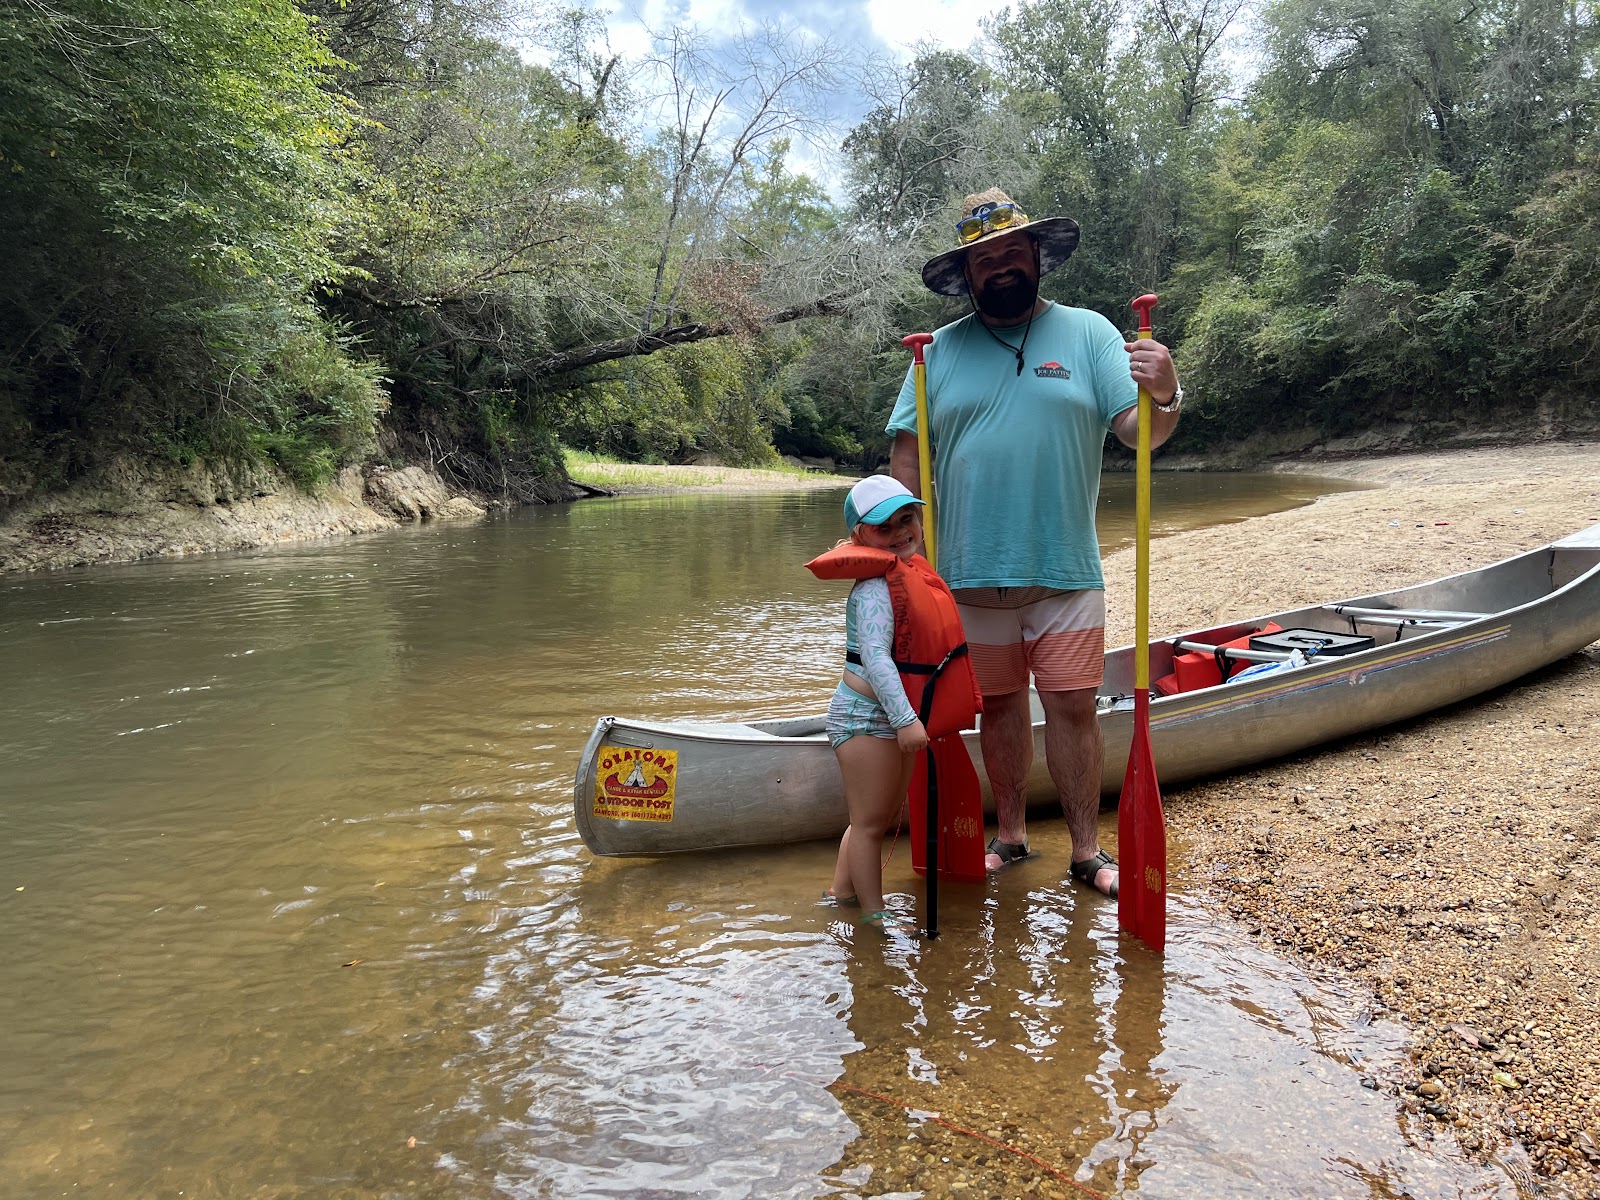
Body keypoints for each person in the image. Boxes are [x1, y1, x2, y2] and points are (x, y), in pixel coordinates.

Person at [886, 187, 1183, 898]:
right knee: (998, 707)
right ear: (969, 274)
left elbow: (1140, 433)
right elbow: (905, 458)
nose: (1000, 267)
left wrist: (1166, 392)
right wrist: (901, 559)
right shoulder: (935, 355)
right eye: (984, 259)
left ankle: (1086, 851)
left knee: (1075, 708)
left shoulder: (1089, 334)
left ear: (1035, 256)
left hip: (1064, 567)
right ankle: (1011, 836)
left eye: (1011, 252)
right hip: (965, 573)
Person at [805, 475, 980, 927]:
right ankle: (873, 919)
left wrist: (907, 718)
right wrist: (906, 719)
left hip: (890, 718)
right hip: (864, 719)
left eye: (909, 519)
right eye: (885, 527)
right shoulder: (873, 590)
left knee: (871, 818)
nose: (902, 531)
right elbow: (878, 661)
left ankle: (841, 895)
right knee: (869, 824)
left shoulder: (910, 576)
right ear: (859, 537)